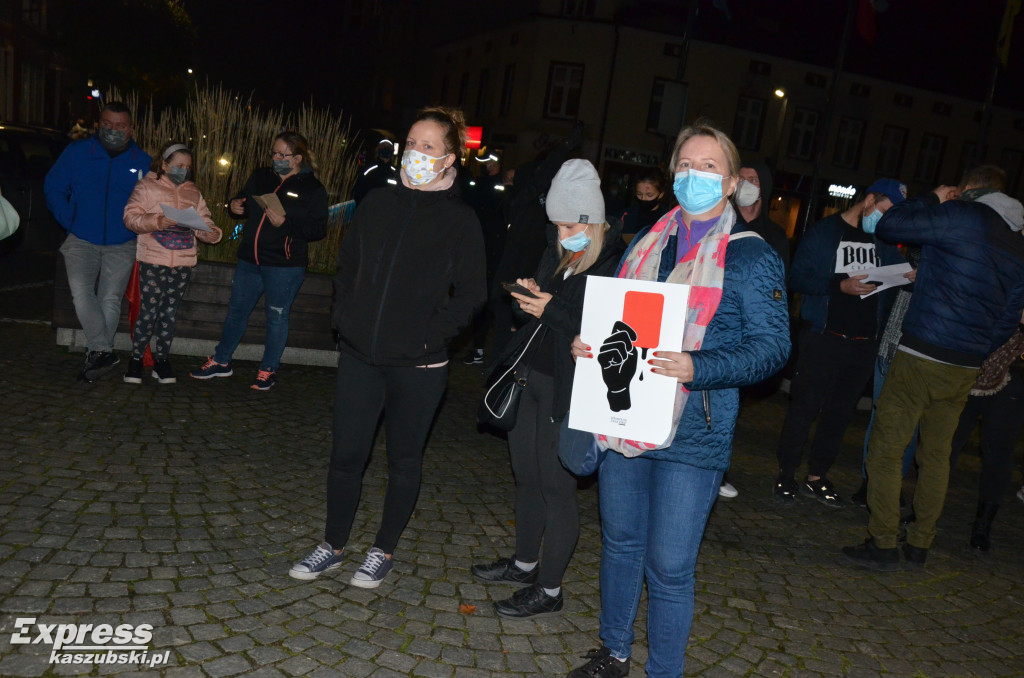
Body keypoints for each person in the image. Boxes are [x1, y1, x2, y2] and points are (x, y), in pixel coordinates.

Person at [566, 122, 789, 678]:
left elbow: (774, 348)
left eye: (710, 166)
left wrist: (699, 366)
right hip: (626, 415)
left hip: (695, 429)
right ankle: (613, 651)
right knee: (619, 544)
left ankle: (663, 671)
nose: (696, 175)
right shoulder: (646, 243)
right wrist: (588, 345)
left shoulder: (751, 258)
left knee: (668, 566)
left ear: (733, 181)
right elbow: (621, 320)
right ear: (672, 173)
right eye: (686, 164)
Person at [289, 107, 485, 588]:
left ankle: (383, 550)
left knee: (403, 461)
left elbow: (474, 293)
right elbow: (349, 265)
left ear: (449, 159)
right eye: (411, 143)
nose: (415, 154)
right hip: (360, 354)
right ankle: (332, 546)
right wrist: (344, 318)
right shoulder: (377, 202)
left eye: (428, 147)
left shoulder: (460, 220)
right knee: (346, 456)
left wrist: (431, 335)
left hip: (418, 365)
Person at [844, 164, 1024, 571]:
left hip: (922, 352)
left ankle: (883, 541)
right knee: (937, 455)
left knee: (888, 449)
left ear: (969, 189)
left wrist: (932, 198)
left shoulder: (962, 216)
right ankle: (921, 542)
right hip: (964, 364)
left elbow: (891, 224)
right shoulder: (1017, 244)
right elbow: (1009, 317)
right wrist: (976, 348)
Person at [471, 159, 624, 618]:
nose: (560, 233)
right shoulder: (558, 248)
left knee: (557, 488)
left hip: (570, 388)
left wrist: (548, 308)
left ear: (590, 220)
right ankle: (524, 564)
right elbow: (537, 318)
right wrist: (527, 297)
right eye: (555, 223)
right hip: (530, 377)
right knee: (527, 477)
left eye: (567, 224)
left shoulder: (615, 261)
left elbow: (604, 331)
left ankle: (551, 590)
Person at [773, 179, 908, 508]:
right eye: (884, 210)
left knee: (838, 415)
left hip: (863, 343)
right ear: (870, 199)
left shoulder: (884, 241)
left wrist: (906, 276)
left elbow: (891, 282)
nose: (886, 220)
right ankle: (786, 473)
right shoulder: (824, 232)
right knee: (804, 409)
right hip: (824, 338)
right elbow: (796, 277)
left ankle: (817, 475)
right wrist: (840, 286)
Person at [190, 131, 328, 390]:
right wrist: (234, 206)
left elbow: (318, 230)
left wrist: (286, 224)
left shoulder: (312, 188)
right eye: (274, 153)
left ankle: (268, 369)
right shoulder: (262, 176)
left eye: (282, 154)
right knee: (236, 313)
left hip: (285, 266)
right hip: (249, 261)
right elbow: (242, 200)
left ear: (297, 158)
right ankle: (221, 361)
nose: (276, 158)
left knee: (277, 317)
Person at [44, 101, 153, 382]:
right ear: (98, 125)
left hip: (122, 241)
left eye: (120, 125)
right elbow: (54, 186)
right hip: (81, 238)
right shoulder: (78, 152)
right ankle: (102, 349)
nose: (113, 130)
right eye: (107, 124)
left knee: (110, 297)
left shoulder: (142, 161)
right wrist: (69, 220)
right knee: (81, 292)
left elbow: (151, 202)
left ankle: (98, 353)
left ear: (130, 128)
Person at [122, 142, 223, 384]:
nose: (183, 170)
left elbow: (205, 221)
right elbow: (130, 217)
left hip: (183, 261)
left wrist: (211, 234)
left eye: (187, 167)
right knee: (148, 311)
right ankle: (136, 360)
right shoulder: (147, 186)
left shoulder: (193, 192)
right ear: (164, 164)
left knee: (169, 312)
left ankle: (162, 360)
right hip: (153, 259)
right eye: (178, 165)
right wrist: (158, 220)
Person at [948, 316, 1024, 553]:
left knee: (998, 453)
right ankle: (923, 511)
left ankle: (983, 525)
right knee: (946, 442)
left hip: (1012, 373)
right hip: (970, 361)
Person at [463, 151, 507, 366]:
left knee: (486, 299)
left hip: (492, 251)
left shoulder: (502, 187)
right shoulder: (478, 182)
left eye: (487, 163)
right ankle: (474, 346)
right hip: (475, 246)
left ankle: (478, 348)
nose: (484, 166)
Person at [733, 161, 789, 270]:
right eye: (741, 179)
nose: (745, 184)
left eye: (753, 180)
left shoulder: (776, 235)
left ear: (764, 186)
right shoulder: (722, 224)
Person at [619, 169, 671, 236]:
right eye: (639, 194)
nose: (643, 199)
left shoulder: (668, 219)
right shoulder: (626, 214)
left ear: (661, 194)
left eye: (649, 195)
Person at [352, 138, 398, 205]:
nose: (386, 148)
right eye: (383, 146)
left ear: (392, 151)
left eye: (388, 147)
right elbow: (358, 192)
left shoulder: (396, 172)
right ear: (378, 150)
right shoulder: (368, 170)